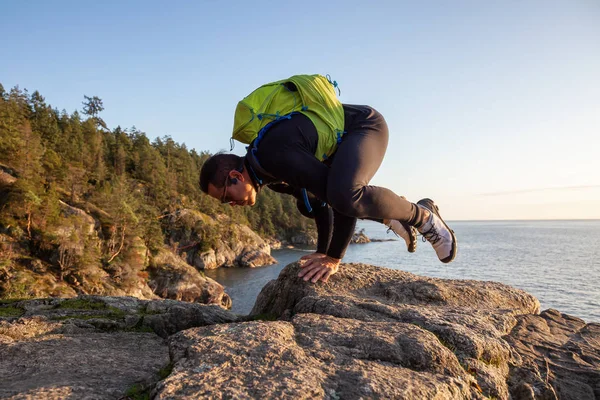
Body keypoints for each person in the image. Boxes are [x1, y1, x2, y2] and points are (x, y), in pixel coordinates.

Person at [200, 78, 457, 284]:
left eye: (225, 198)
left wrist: (334, 258)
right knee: (308, 204)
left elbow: (340, 202)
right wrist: (322, 252)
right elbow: (322, 205)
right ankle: (391, 214)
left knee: (346, 194)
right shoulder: (268, 174)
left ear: (235, 176)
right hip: (344, 144)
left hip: (364, 126)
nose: (230, 205)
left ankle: (422, 216)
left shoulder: (272, 154)